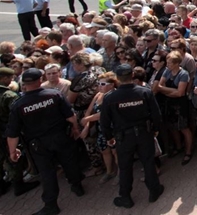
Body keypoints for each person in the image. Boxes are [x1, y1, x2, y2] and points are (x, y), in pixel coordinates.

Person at [6, 68, 85, 215]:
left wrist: (12, 150)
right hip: (61, 137)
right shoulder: (54, 94)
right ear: (40, 81)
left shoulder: (19, 104)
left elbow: (13, 132)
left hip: (39, 144)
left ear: (24, 84)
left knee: (47, 173)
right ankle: (77, 186)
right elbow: (70, 115)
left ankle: (51, 205)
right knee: (70, 163)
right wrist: (75, 129)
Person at [99, 64, 164, 209]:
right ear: (132, 76)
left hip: (123, 137)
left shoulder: (110, 97)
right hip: (143, 133)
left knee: (125, 166)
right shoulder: (144, 92)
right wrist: (155, 129)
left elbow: (104, 122)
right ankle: (154, 190)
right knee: (148, 162)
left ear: (117, 78)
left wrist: (109, 137)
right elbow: (156, 114)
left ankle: (125, 196)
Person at [0, 66, 41, 197]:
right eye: (10, 78)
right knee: (14, 156)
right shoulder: (7, 95)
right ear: (4, 78)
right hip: (8, 131)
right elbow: (18, 112)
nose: (11, 80)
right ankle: (19, 184)